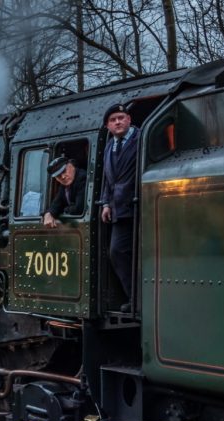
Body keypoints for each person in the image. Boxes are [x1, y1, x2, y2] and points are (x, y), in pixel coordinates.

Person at [100, 103, 138, 312]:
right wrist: (106, 203)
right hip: (119, 210)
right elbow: (108, 179)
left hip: (139, 205)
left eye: (121, 117)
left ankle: (137, 298)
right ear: (108, 125)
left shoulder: (141, 139)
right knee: (116, 252)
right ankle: (133, 296)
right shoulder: (109, 146)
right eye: (113, 119)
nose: (118, 122)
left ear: (129, 120)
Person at [43, 157, 86, 228]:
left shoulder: (82, 178)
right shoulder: (64, 185)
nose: (62, 177)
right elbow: (57, 203)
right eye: (58, 176)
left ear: (71, 165)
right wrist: (48, 214)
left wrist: (65, 209)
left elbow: (79, 208)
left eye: (64, 171)